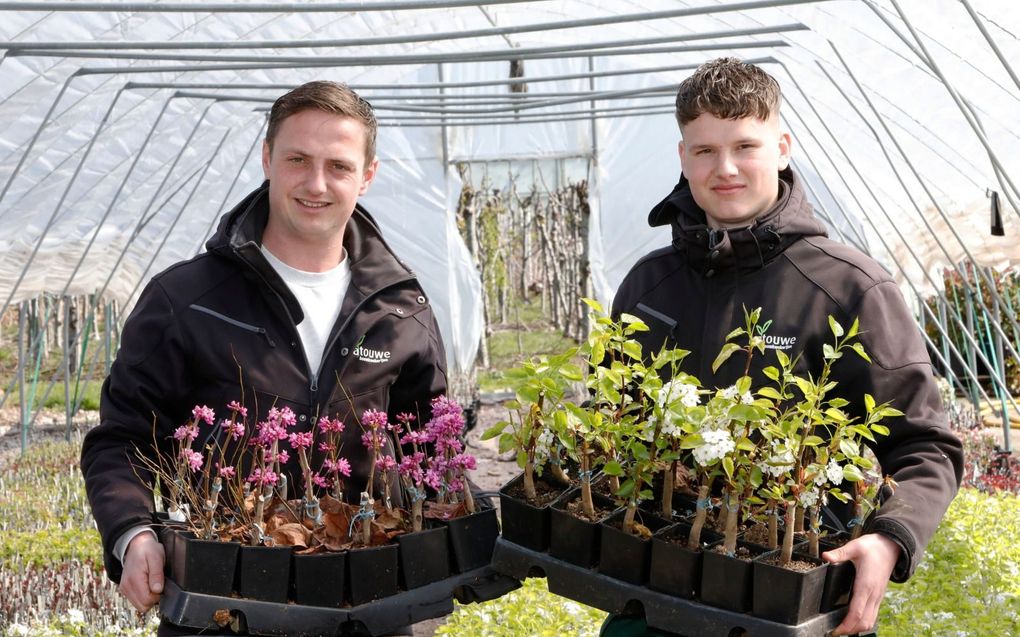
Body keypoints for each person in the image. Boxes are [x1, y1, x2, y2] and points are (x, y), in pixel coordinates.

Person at [606, 58, 963, 636]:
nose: (725, 169)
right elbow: (613, 422)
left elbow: (925, 446)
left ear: (783, 147)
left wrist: (890, 537)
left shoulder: (849, 288)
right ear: (682, 157)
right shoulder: (649, 285)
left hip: (793, 601)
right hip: (654, 597)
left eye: (746, 145)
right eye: (704, 151)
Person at [80, 81, 447, 636]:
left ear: (367, 176)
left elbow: (432, 442)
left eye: (339, 166)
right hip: (219, 606)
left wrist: (444, 536)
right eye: (298, 159)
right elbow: (121, 437)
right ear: (267, 158)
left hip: (367, 607)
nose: (316, 183)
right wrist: (133, 532)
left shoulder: (400, 307)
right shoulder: (187, 300)